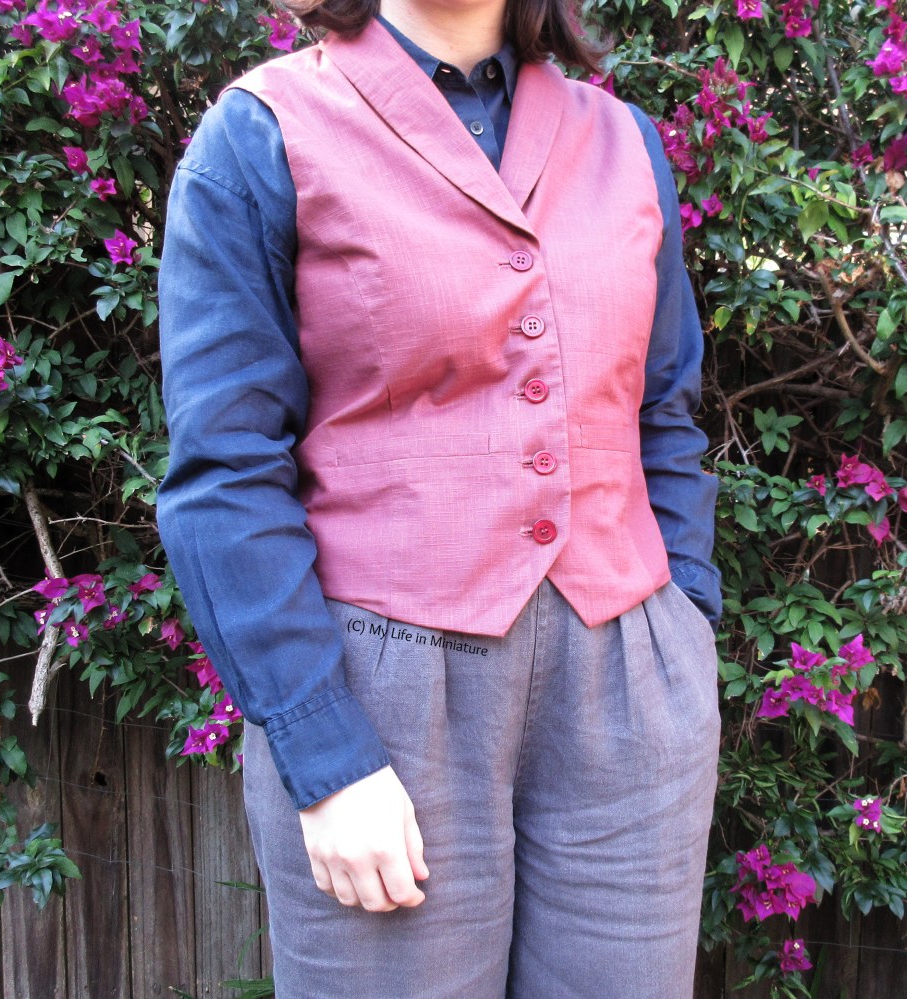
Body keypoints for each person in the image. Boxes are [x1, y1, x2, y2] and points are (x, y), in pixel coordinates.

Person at [157, 0, 722, 994]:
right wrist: (320, 748)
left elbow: (663, 410)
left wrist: (684, 622)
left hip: (627, 687)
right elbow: (226, 468)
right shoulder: (265, 131)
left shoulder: (620, 140)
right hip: (386, 697)